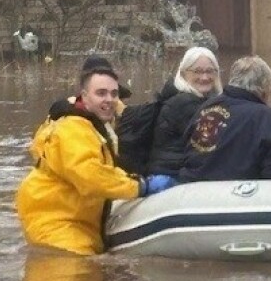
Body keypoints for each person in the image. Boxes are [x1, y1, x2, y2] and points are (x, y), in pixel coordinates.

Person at [16, 65, 176, 256]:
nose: (109, 99)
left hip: (66, 221)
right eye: (101, 93)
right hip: (60, 227)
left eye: (114, 94)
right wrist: (140, 186)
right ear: (84, 96)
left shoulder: (90, 127)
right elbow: (91, 175)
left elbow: (103, 171)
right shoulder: (74, 129)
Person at [174, 55, 271, 183]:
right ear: (263, 90)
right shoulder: (267, 118)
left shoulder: (206, 108)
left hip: (193, 192)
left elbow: (186, 149)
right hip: (240, 196)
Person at [144, 47, 221, 176]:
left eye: (210, 71)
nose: (204, 77)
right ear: (184, 73)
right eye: (197, 71)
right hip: (174, 176)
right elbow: (209, 144)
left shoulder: (198, 100)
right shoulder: (185, 103)